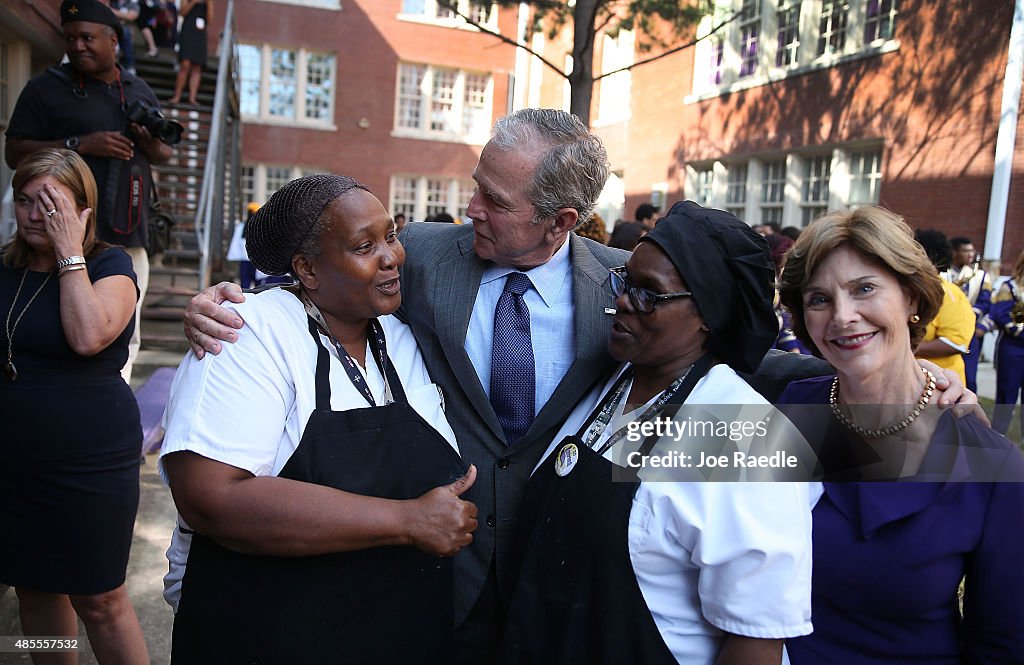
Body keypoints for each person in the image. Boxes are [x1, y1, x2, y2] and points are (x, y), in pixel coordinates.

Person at [181, 109, 977, 663]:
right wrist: (230, 304)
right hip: (427, 590)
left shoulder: (626, 295)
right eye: (476, 186)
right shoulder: (416, 256)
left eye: (495, 199)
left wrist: (917, 382)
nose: (471, 209)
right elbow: (325, 274)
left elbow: (737, 359)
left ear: (561, 222)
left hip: (571, 594)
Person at [160, 174, 478, 663]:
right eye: (363, 245)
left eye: (391, 235)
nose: (391, 256)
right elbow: (211, 498)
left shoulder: (404, 336)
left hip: (395, 631)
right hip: (269, 636)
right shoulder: (251, 334)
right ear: (307, 269)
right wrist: (407, 520)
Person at [500, 201, 813, 665]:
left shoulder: (744, 436)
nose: (623, 301)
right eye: (626, 281)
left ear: (709, 312)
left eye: (650, 293)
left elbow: (756, 641)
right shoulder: (607, 381)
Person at [776, 206, 1024, 663]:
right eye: (819, 299)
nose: (843, 316)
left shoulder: (992, 464)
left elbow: (1001, 645)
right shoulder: (791, 408)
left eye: (864, 289)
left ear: (911, 297)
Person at [0, 148, 147, 664]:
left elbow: (88, 336)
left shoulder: (112, 265)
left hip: (90, 460)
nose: (37, 216)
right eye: (25, 201)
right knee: (33, 588)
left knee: (100, 596)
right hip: (15, 461)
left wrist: (68, 253)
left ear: (84, 208)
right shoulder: (4, 266)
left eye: (52, 203)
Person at [4, 0, 173, 384]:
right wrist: (81, 143)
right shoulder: (46, 88)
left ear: (113, 40)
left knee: (125, 328)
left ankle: (112, 393)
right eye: (70, 39)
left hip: (125, 229)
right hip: (54, 233)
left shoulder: (137, 89)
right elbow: (14, 152)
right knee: (48, 316)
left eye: (87, 38)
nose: (77, 46)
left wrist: (149, 141)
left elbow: (164, 153)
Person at [913, 229, 975, 386]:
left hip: (942, 386)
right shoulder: (907, 290)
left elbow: (955, 344)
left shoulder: (949, 294)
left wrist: (900, 347)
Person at [944, 236, 994, 392]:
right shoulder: (942, 272)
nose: (970, 254)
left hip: (968, 329)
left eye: (972, 251)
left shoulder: (980, 276)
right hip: (944, 328)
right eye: (966, 251)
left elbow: (985, 302)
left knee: (969, 375)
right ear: (954, 252)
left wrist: (967, 317)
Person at [991, 248, 1024, 436]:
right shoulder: (1010, 287)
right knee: (1007, 393)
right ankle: (998, 434)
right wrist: (1019, 331)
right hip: (1013, 348)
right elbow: (1000, 314)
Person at [169, 0, 212, 105]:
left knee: (197, 66)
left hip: (200, 33)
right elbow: (182, 13)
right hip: (188, 30)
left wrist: (208, 3)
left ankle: (192, 98)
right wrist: (193, 2)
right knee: (185, 64)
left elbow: (210, 19)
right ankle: (177, 96)